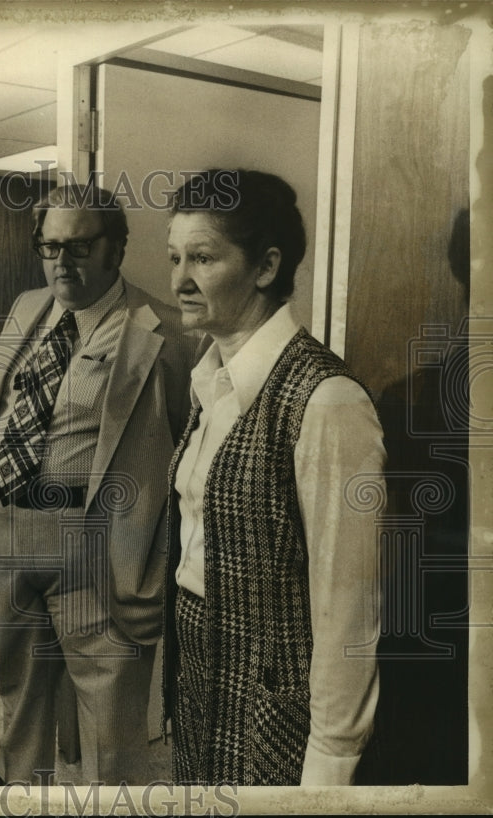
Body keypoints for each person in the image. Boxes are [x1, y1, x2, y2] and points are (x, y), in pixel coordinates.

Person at [0, 185, 194, 785]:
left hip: (94, 545)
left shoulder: (164, 332)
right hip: (5, 533)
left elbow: (186, 453)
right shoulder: (28, 305)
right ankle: (22, 788)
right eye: (51, 246)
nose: (63, 262)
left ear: (117, 249)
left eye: (80, 247)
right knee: (20, 695)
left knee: (108, 722)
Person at [163, 169, 385, 786]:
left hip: (274, 696)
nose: (179, 279)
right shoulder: (211, 379)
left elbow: (349, 607)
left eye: (203, 258)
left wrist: (330, 767)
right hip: (203, 662)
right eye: (175, 256)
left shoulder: (327, 400)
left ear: (265, 267)